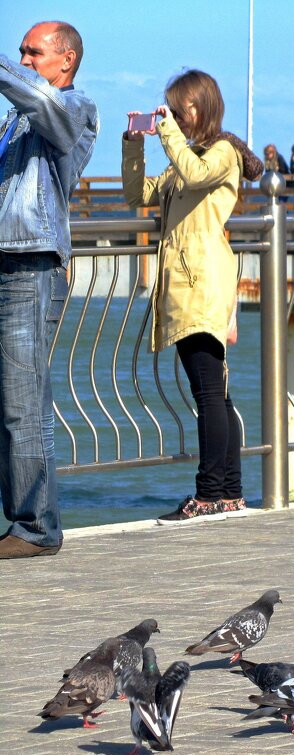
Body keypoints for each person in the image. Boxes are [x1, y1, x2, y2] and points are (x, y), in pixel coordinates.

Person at [122, 69, 263, 524]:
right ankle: (229, 493)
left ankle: (209, 493)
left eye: (175, 111)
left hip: (202, 281)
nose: (172, 119)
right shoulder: (184, 155)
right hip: (184, 286)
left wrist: (165, 132)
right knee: (215, 394)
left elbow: (195, 172)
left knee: (209, 393)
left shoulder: (220, 153)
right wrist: (133, 144)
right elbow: (135, 195)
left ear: (194, 109)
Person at [0, 21, 97, 559]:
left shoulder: (75, 108)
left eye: (32, 52)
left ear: (66, 60)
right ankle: (20, 519)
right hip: (3, 262)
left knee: (23, 403)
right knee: (6, 403)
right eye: (18, 52)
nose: (23, 59)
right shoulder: (14, 122)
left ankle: (36, 528)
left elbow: (42, 103)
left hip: (30, 268)